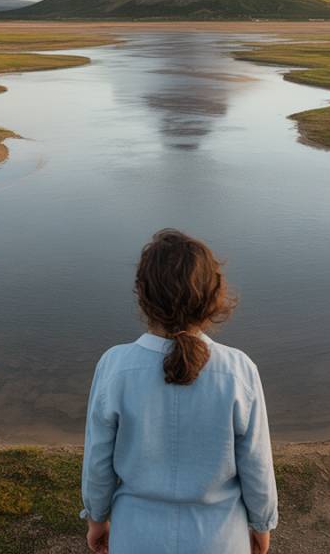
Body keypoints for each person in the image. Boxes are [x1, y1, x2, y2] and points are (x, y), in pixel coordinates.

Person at [81, 229, 278, 554]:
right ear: (212, 295)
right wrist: (261, 525)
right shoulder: (239, 370)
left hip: (136, 538)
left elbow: (98, 460)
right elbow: (257, 465)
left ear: (142, 294)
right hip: (220, 540)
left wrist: (97, 520)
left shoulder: (115, 366)